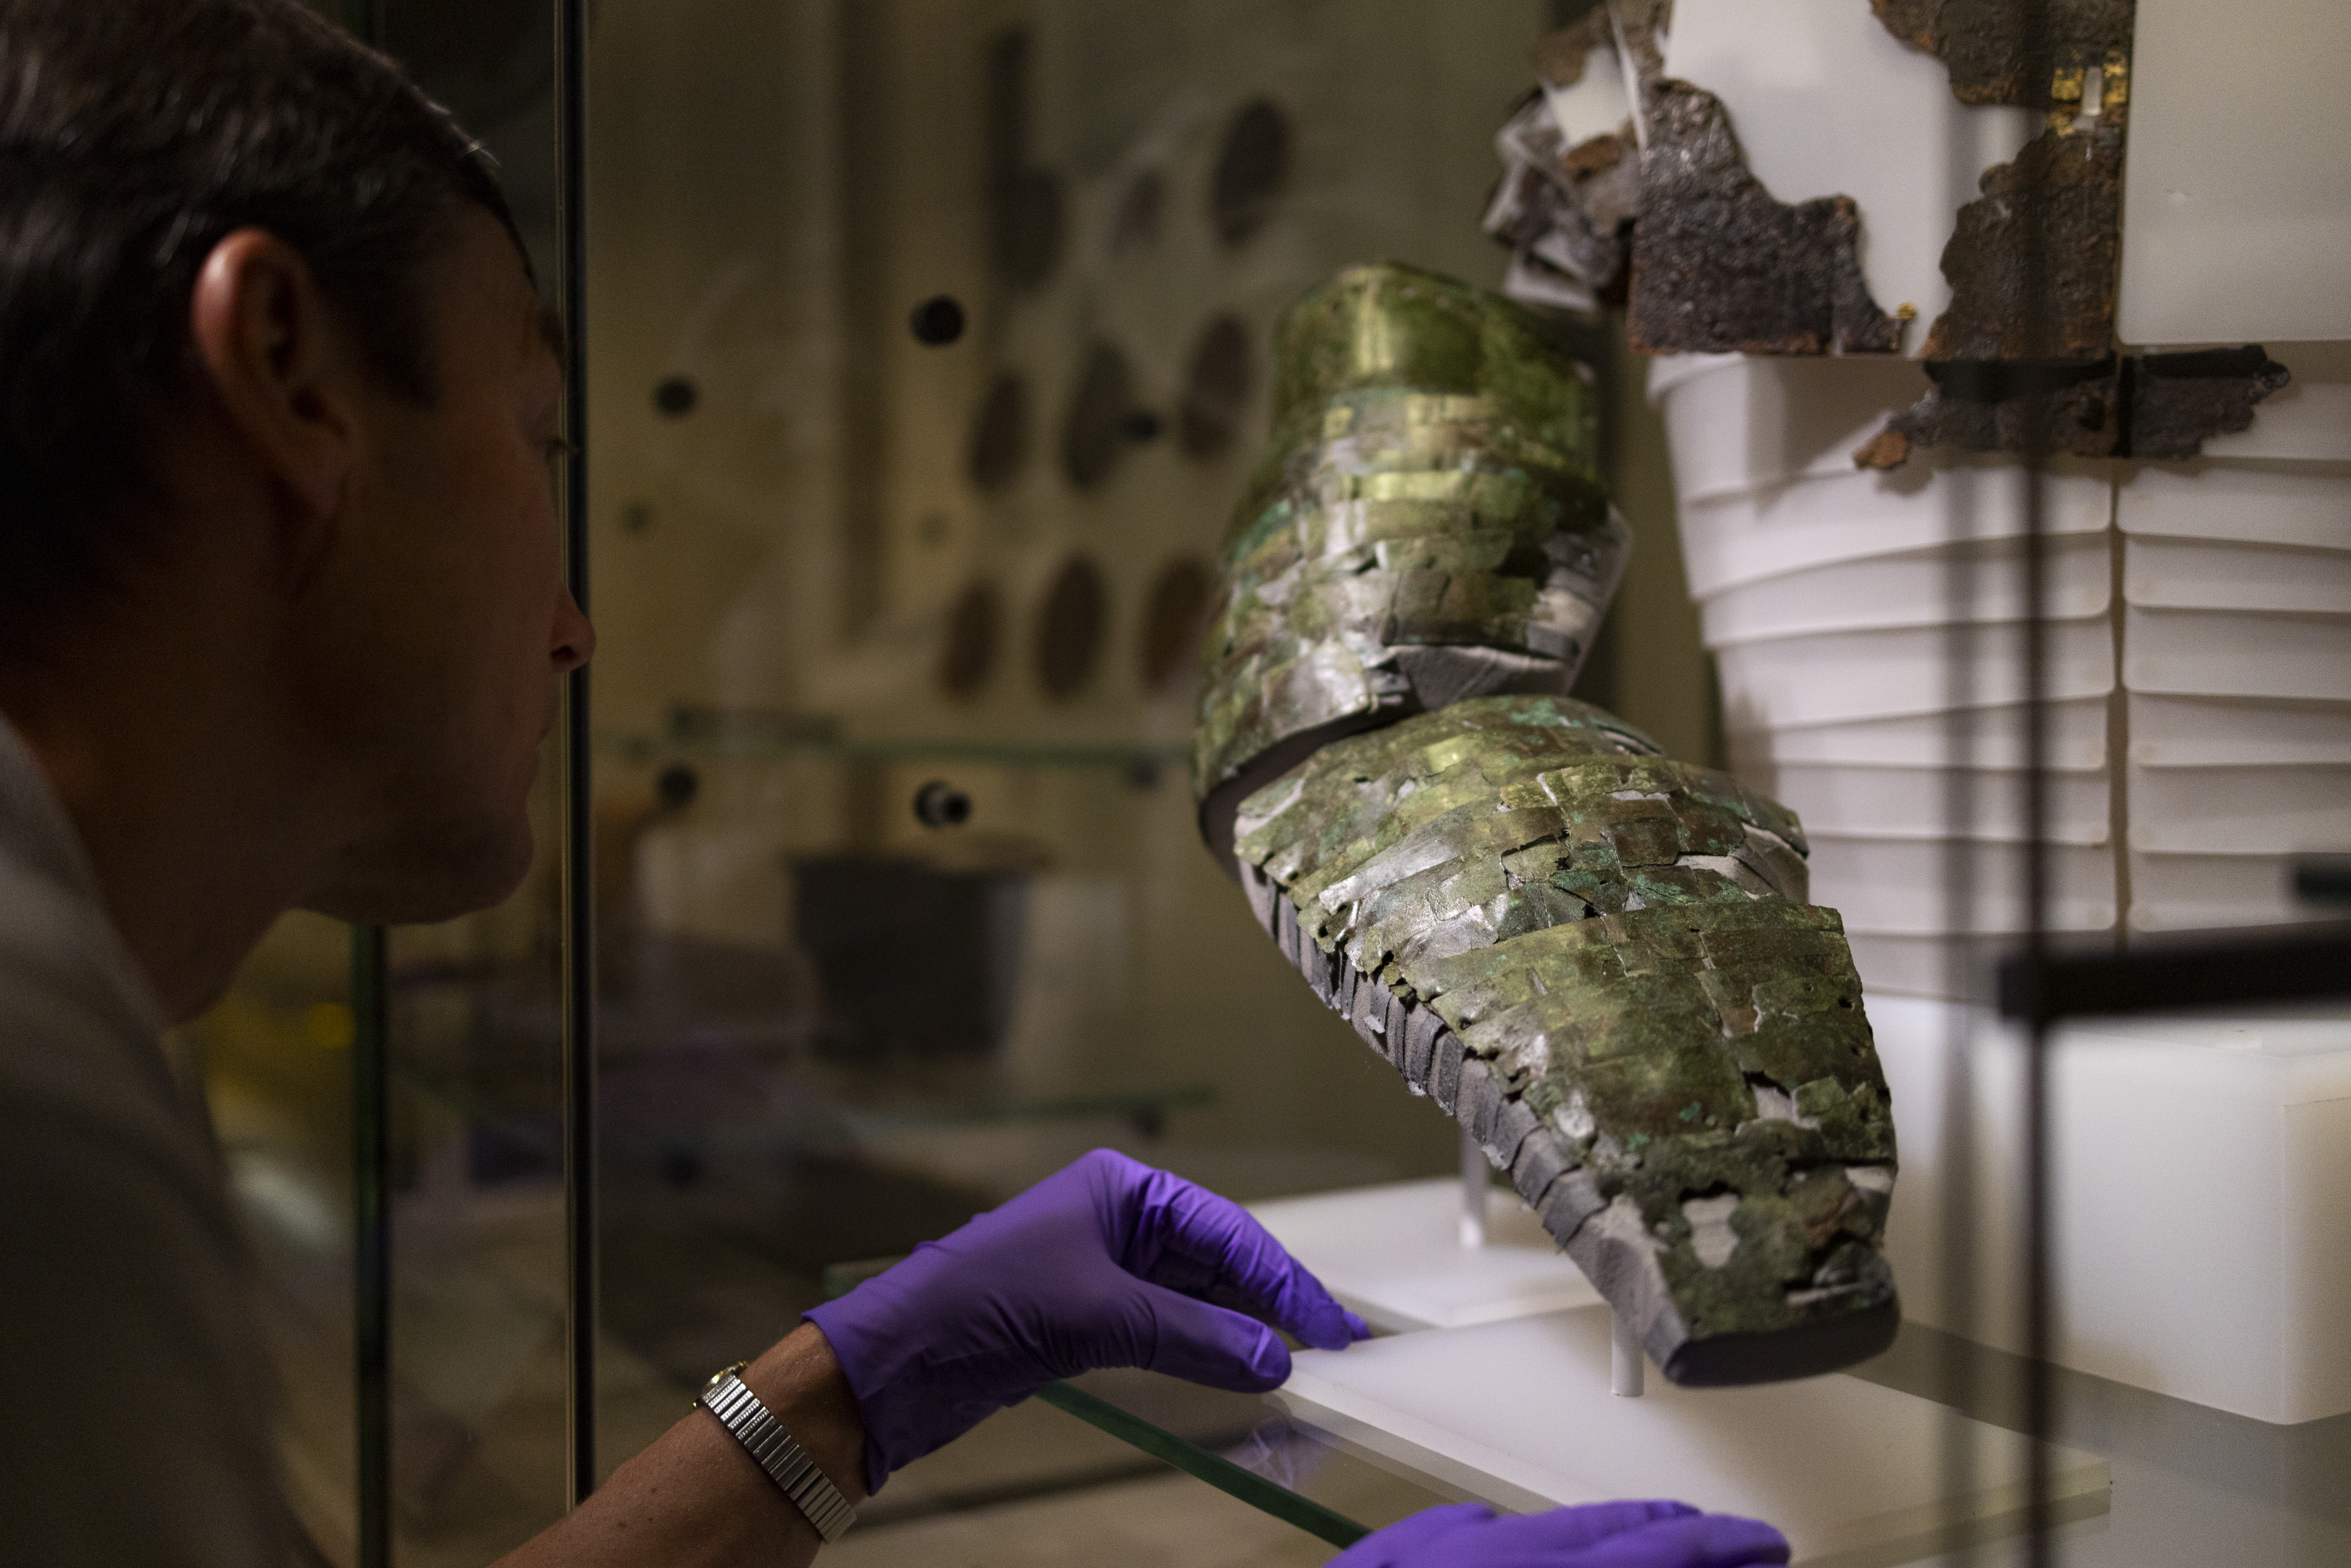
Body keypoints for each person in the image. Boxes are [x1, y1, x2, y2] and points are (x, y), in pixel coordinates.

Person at [0, 3, 1791, 1565]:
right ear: (289, 375)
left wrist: (831, 1394)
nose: (572, 626)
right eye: (537, 442)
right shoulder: (38, 1114)